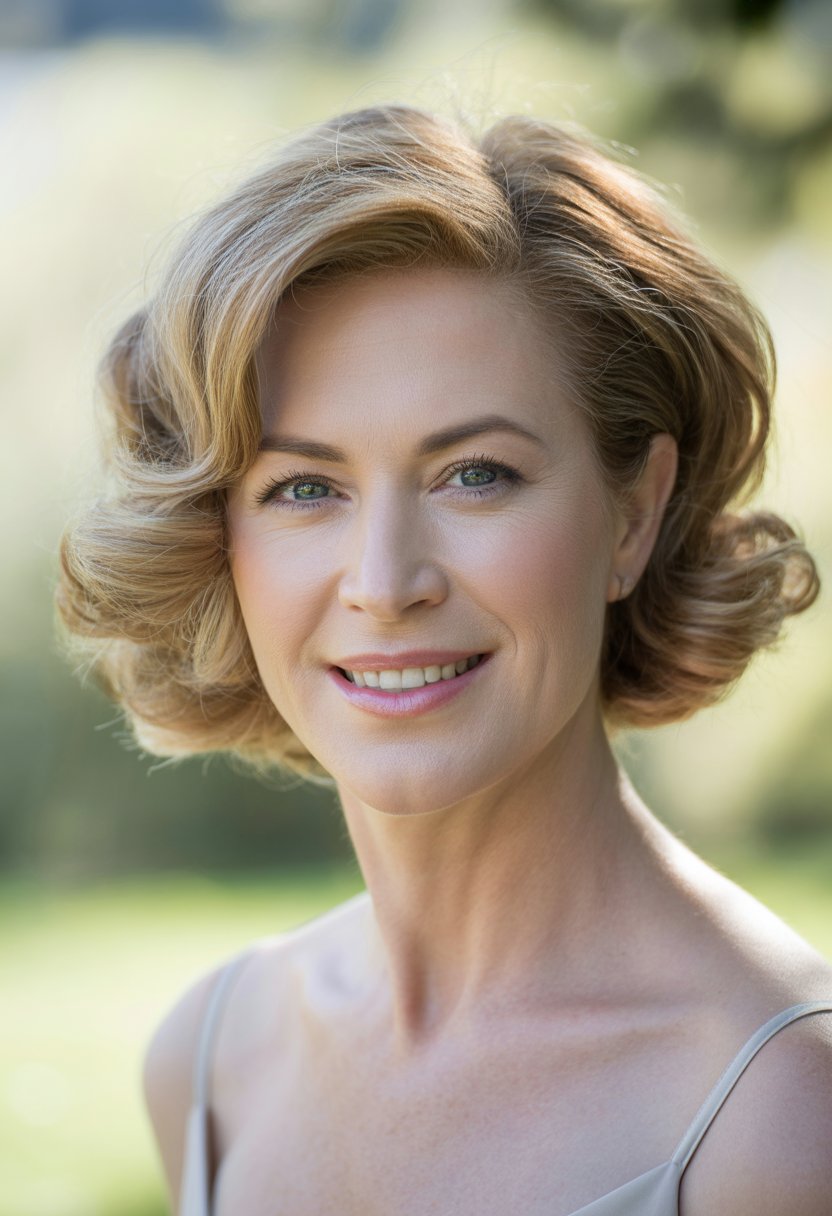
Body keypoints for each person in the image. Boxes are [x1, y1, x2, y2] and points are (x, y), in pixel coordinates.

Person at [56, 103, 832, 1216]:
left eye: (474, 473)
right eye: (304, 487)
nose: (385, 580)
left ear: (632, 515)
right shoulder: (212, 1060)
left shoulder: (778, 1115)